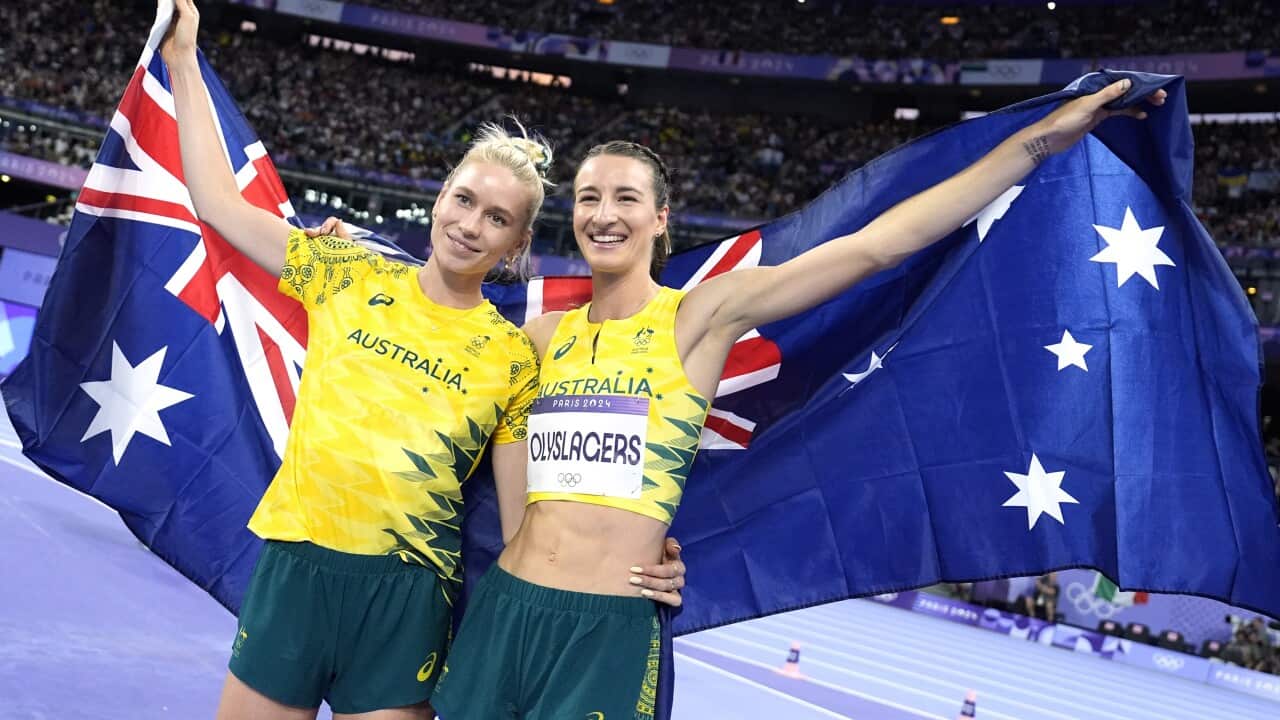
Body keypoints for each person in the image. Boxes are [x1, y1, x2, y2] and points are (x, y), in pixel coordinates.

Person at [432, 78, 1168, 719]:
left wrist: (1042, 139)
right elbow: (435, 337)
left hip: (609, 629)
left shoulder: (701, 316)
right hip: (507, 607)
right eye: (589, 197)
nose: (604, 213)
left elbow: (877, 246)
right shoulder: (537, 339)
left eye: (627, 197)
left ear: (660, 220)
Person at [161, 3, 684, 718]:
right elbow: (217, 203)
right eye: (464, 201)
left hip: (408, 604)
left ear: (517, 245)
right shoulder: (344, 268)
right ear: (439, 198)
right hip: (297, 567)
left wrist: (638, 559)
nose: (471, 225)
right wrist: (184, 60)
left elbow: (524, 523)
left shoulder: (511, 356)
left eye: (497, 219)